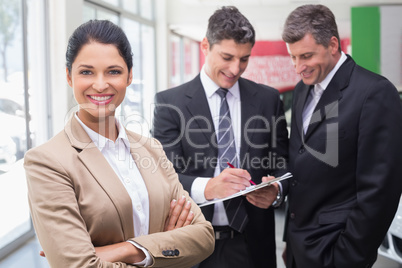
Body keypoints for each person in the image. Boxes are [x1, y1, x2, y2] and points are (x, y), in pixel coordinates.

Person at [24, 20, 214, 268]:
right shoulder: (47, 162)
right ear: (69, 76)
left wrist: (127, 249)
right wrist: (162, 247)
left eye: (113, 71)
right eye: (86, 72)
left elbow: (204, 237)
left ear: (129, 75)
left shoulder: (151, 149)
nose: (101, 84)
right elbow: (79, 266)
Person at [152, 6, 289, 268]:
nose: (235, 68)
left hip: (253, 245)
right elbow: (163, 176)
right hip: (192, 245)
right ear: (205, 45)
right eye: (227, 57)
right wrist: (208, 188)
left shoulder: (268, 100)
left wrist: (277, 189)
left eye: (244, 59)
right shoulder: (170, 104)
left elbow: (282, 159)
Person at [281, 4, 402, 268]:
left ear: (333, 45)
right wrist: (289, 239)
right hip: (298, 250)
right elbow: (300, 165)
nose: (298, 67)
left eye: (307, 56)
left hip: (336, 252)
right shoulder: (303, 90)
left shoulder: (375, 93)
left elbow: (379, 193)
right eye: (293, 57)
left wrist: (347, 258)